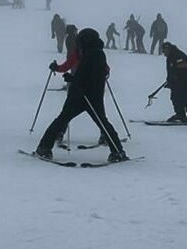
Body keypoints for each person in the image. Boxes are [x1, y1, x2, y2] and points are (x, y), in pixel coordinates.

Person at [34, 28, 127, 163]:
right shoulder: (93, 53)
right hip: (92, 95)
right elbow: (93, 74)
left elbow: (87, 76)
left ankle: (44, 148)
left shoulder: (93, 54)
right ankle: (117, 151)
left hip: (82, 95)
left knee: (61, 120)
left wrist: (72, 79)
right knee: (102, 122)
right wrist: (72, 78)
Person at [160, 42, 187, 123]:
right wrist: (169, 80)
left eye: (164, 51)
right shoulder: (170, 57)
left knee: (186, 99)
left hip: (185, 82)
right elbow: (170, 70)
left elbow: (183, 69)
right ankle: (180, 114)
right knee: (175, 98)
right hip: (176, 84)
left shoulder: (179, 55)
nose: (164, 53)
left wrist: (175, 76)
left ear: (168, 49)